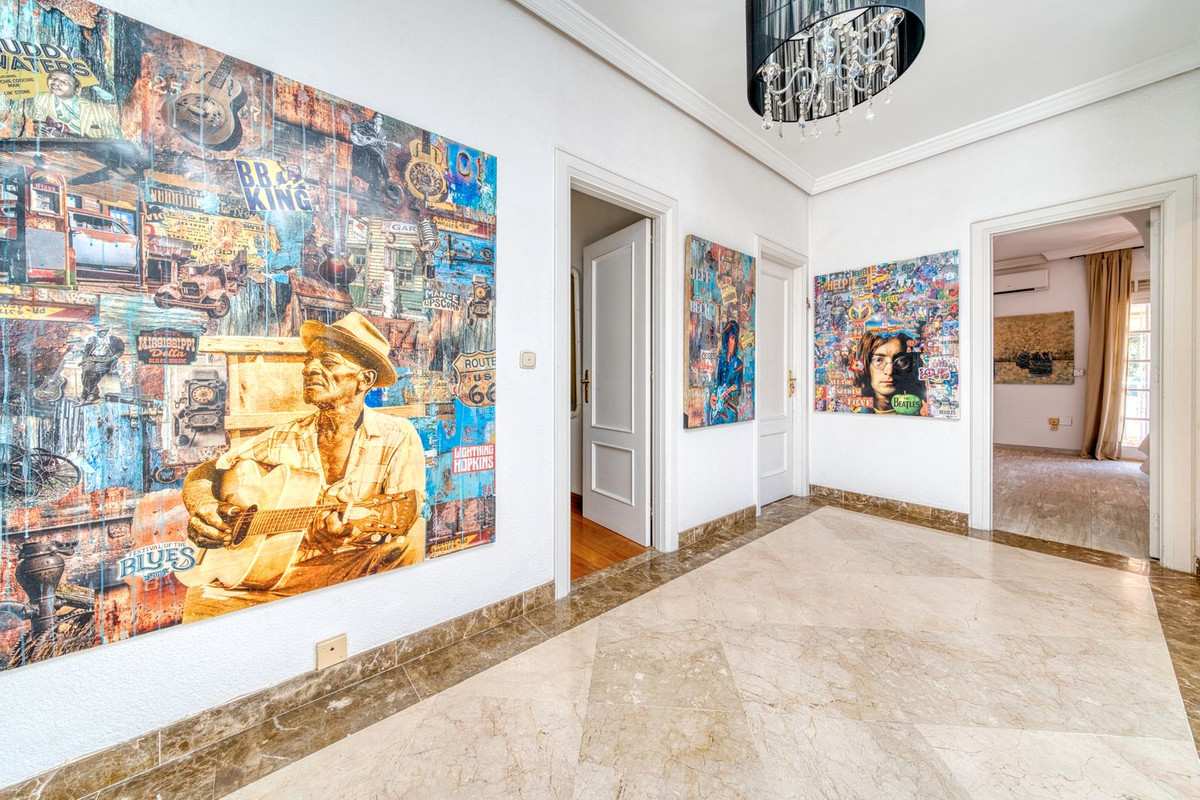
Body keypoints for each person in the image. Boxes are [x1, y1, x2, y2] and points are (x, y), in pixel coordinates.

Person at [181, 311, 426, 600]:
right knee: (200, 594)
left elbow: (403, 521)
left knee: (407, 545)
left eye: (328, 361)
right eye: (309, 359)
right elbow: (206, 473)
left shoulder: (397, 435)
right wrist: (204, 506)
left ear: (365, 379)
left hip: (351, 568)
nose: (308, 368)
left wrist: (350, 531)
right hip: (278, 572)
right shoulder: (283, 437)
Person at [849, 331, 926, 414]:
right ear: (865, 365)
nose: (890, 371)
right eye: (879, 360)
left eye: (901, 360)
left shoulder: (923, 409)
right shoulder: (853, 410)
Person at [29, 70, 121, 139]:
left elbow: (114, 138)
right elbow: (38, 123)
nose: (56, 83)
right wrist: (39, 128)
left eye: (65, 81)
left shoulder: (98, 111)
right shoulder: (42, 98)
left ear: (77, 89)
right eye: (53, 77)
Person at [707, 319, 743, 425]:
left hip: (729, 411)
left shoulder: (738, 363)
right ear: (726, 340)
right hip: (718, 409)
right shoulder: (721, 360)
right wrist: (713, 395)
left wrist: (729, 391)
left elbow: (738, 387)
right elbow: (717, 383)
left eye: (734, 339)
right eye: (730, 338)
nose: (732, 342)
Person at [79, 325, 124, 403]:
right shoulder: (92, 339)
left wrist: (114, 357)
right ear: (97, 332)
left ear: (107, 331)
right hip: (92, 358)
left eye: (104, 331)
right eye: (100, 331)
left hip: (106, 359)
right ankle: (93, 394)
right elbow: (86, 352)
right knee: (85, 372)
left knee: (94, 374)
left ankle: (86, 395)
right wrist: (84, 360)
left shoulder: (115, 340)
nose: (102, 333)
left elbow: (120, 350)